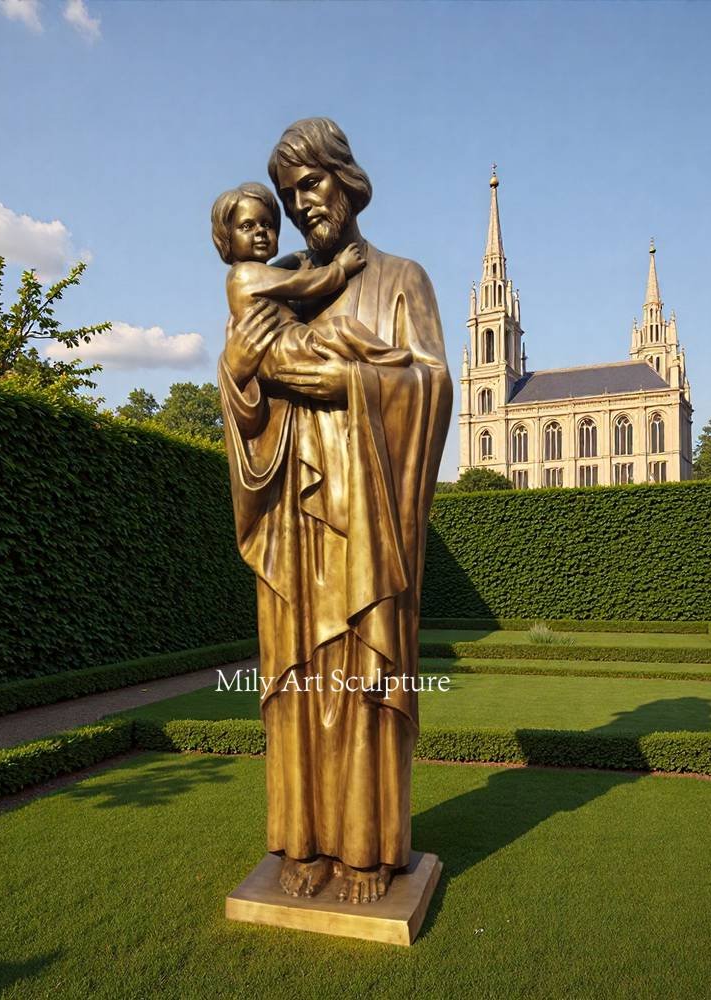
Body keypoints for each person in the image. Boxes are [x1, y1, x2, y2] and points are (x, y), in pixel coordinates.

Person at [218, 118, 452, 905]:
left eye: (311, 183)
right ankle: (304, 843)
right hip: (293, 528)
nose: (300, 204)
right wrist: (240, 380)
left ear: (345, 178)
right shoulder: (277, 281)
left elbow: (433, 385)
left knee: (360, 686)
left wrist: (352, 384)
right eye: (288, 195)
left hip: (367, 533)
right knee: (299, 685)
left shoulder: (402, 279)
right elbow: (245, 386)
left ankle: (365, 852)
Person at [209, 181, 412, 376]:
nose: (260, 231)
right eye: (247, 226)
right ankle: (390, 361)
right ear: (227, 238)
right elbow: (300, 283)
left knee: (340, 332)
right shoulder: (245, 274)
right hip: (282, 347)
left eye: (267, 224)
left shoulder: (258, 274)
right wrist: (340, 269)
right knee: (342, 329)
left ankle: (385, 366)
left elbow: (285, 272)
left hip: (282, 348)